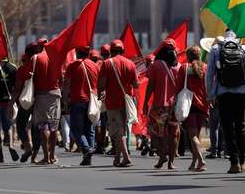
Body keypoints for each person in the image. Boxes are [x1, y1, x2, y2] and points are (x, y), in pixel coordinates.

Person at [206, 29, 245, 174]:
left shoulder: (215, 49)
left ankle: (234, 162)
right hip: (241, 93)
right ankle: (243, 161)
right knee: (240, 126)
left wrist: (210, 94)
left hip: (223, 92)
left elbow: (210, 74)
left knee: (227, 126)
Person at [98, 39, 138, 167]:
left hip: (113, 102)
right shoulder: (130, 64)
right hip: (126, 102)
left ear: (111, 50)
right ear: (122, 50)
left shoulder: (106, 63)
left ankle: (126, 157)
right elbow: (136, 84)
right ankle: (116, 158)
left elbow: (102, 84)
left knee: (117, 131)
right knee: (123, 131)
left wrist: (100, 93)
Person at [143, 39, 181, 170]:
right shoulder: (179, 66)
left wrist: (145, 103)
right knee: (174, 133)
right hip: (175, 106)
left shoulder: (155, 65)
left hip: (159, 106)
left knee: (156, 133)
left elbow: (150, 86)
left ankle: (161, 155)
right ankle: (171, 162)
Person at [64, 45, 99, 165]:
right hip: (92, 101)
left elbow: (67, 84)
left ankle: (86, 148)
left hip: (77, 101)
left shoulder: (72, 65)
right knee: (90, 129)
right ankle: (87, 156)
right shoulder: (95, 65)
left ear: (77, 52)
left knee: (76, 129)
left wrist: (65, 100)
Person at [179, 45, 209, 172]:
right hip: (203, 104)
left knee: (192, 135)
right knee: (197, 135)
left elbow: (178, 86)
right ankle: (194, 163)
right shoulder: (206, 67)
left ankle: (201, 160)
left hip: (189, 104)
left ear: (188, 56)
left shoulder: (184, 68)